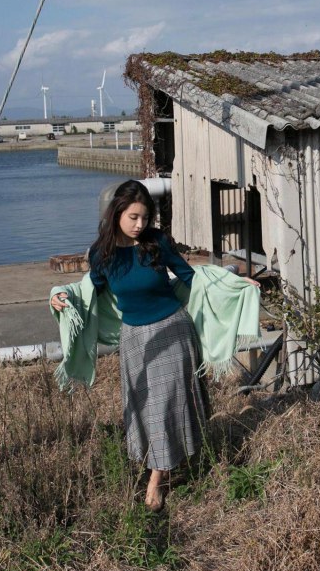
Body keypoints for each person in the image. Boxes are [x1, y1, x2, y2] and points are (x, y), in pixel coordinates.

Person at [50, 180, 258, 511]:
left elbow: (192, 278)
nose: (140, 225)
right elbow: (89, 289)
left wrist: (233, 283)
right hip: (134, 339)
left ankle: (155, 479)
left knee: (164, 405)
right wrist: (61, 295)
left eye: (145, 218)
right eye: (133, 217)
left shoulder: (157, 243)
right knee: (144, 406)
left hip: (172, 330)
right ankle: (167, 460)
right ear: (117, 212)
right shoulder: (101, 254)